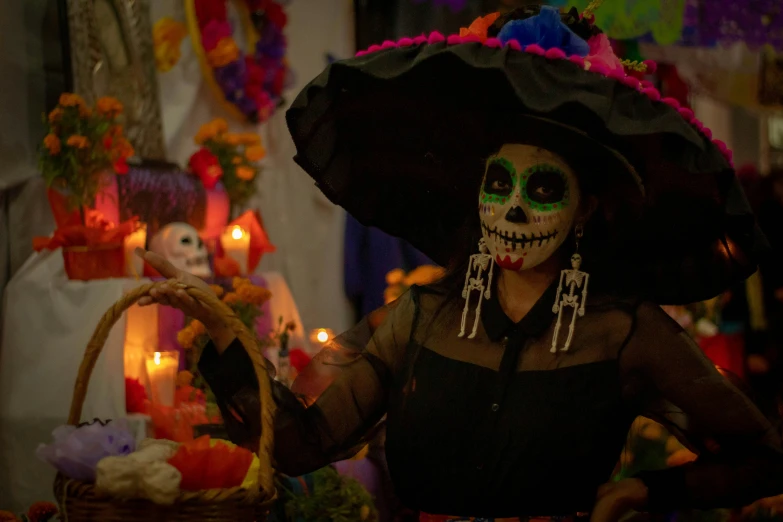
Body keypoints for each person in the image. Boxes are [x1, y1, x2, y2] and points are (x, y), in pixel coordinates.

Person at [138, 5, 783, 522]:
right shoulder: (418, 318)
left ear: (584, 211)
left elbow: (762, 455)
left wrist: (642, 493)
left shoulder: (623, 333)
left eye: (544, 189)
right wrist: (223, 334)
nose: (513, 208)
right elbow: (303, 444)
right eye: (497, 182)